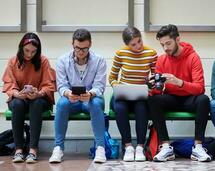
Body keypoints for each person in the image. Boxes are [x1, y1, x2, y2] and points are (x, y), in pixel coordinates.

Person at [147, 24, 211, 162]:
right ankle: (165, 147)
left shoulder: (193, 57)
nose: (165, 48)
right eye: (162, 45)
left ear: (178, 39)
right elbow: (157, 91)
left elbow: (200, 88)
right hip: (172, 98)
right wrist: (152, 86)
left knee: (204, 99)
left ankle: (198, 147)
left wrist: (179, 82)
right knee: (153, 100)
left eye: (168, 43)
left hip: (190, 99)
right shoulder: (162, 59)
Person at [49, 28, 107, 163]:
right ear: (72, 45)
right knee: (62, 103)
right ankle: (58, 148)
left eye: (85, 49)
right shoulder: (62, 60)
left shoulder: (99, 60)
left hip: (91, 99)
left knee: (97, 103)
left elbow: (100, 86)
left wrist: (91, 94)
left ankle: (100, 147)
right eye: (77, 48)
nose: (81, 52)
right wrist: (68, 93)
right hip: (71, 100)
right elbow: (61, 86)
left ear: (90, 45)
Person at [2, 32, 56, 163]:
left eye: (33, 51)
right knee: (17, 104)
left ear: (37, 51)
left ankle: (33, 149)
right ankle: (18, 149)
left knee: (36, 103)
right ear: (21, 48)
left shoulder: (43, 61)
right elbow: (9, 83)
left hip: (39, 99)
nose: (29, 54)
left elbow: (49, 85)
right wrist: (16, 93)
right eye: (27, 50)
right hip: (19, 98)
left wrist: (39, 93)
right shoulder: (13, 61)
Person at [108, 27, 157, 162]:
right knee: (119, 108)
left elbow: (155, 76)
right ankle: (128, 146)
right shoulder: (120, 54)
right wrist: (116, 86)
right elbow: (112, 77)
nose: (138, 46)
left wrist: (150, 86)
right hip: (123, 94)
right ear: (127, 45)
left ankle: (140, 147)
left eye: (139, 41)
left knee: (141, 108)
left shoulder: (151, 53)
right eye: (133, 44)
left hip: (140, 94)